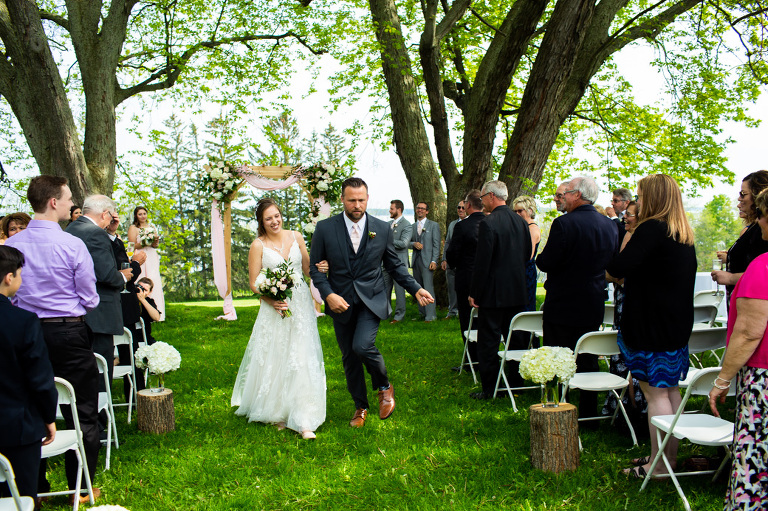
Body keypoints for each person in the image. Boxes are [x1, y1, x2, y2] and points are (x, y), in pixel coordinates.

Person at [5, 175, 101, 504]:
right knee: (84, 410)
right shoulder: (72, 244)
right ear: (53, 202)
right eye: (69, 197)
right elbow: (90, 298)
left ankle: (36, 488)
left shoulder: (11, 247)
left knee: (29, 405)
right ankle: (80, 488)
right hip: (68, 331)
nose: (72, 202)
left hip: (23, 331)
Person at [309, 178, 434, 428]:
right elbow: (315, 269)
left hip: (371, 299)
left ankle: (385, 387)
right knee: (349, 357)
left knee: (362, 346)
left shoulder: (382, 228)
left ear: (367, 199)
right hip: (339, 301)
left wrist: (416, 288)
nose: (357, 205)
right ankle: (360, 407)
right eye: (352, 200)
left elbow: (394, 265)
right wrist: (328, 295)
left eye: (362, 200)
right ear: (342, 200)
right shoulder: (325, 229)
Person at [605, 174, 697, 479]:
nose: (638, 202)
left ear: (654, 199)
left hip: (650, 325)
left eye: (641, 197)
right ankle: (667, 457)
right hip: (674, 324)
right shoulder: (681, 232)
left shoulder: (651, 229)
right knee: (668, 391)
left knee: (656, 394)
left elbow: (618, 267)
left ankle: (658, 466)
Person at [231, 198, 326, 440]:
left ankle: (305, 417)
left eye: (277, 216)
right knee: (278, 355)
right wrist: (272, 299)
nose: (274, 221)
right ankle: (277, 412)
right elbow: (254, 284)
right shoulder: (258, 245)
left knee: (301, 354)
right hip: (275, 307)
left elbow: (307, 269)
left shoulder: (296, 236)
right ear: (261, 223)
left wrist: (322, 269)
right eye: (268, 218)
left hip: (301, 304)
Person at [537, 176, 618, 419]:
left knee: (557, 356)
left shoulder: (564, 224)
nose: (563, 197)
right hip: (593, 300)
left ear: (578, 195)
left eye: (567, 193)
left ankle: (559, 409)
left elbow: (546, 261)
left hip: (563, 301)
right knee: (588, 357)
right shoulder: (610, 225)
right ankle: (588, 413)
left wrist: (542, 258)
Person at [709, 188, 768, 510]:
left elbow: (748, 333)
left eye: (760, 214)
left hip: (763, 375)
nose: (757, 221)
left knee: (755, 451)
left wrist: (722, 380)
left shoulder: (763, 266)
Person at [0, 246, 57, 502]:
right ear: (9, 277)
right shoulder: (23, 321)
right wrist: (48, 416)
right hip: (17, 428)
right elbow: (39, 378)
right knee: (21, 499)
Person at [468, 181, 531, 399]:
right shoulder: (521, 221)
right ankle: (516, 382)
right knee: (515, 339)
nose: (481, 200)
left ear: (492, 196)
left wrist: (475, 292)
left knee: (489, 341)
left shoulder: (489, 222)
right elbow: (526, 254)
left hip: (493, 293)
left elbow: (483, 262)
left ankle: (491, 388)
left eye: (483, 196)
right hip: (517, 290)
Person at [67, 196, 131, 387]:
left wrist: (111, 233)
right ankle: (101, 414)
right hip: (99, 313)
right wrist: (122, 277)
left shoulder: (71, 229)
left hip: (76, 312)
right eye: (111, 216)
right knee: (101, 370)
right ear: (105, 214)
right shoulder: (94, 233)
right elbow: (105, 274)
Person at [712, 170, 768, 308]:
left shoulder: (762, 232)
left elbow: (763, 274)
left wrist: (730, 278)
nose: (739, 199)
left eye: (743, 194)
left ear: (758, 195)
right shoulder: (753, 229)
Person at [445, 190, 484, 370]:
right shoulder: (490, 222)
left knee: (467, 320)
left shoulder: (462, 226)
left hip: (466, 278)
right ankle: (485, 357)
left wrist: (453, 264)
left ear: (468, 205)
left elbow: (452, 253)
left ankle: (471, 361)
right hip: (488, 279)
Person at [128, 206, 165, 320]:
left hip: (152, 255)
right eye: (140, 214)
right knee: (142, 277)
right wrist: (144, 242)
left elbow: (155, 245)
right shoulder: (133, 228)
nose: (143, 216)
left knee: (153, 279)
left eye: (144, 213)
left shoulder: (152, 227)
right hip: (140, 255)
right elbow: (131, 244)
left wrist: (154, 242)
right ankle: (140, 311)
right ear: (136, 216)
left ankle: (156, 312)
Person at [409, 202, 440, 322]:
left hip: (427, 262)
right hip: (416, 261)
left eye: (422, 209)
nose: (420, 210)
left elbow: (436, 245)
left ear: (427, 211)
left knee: (428, 288)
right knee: (418, 287)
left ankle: (431, 315)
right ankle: (422, 313)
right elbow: (407, 242)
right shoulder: (412, 226)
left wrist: (434, 260)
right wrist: (413, 244)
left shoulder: (433, 225)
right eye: (418, 208)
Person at [383, 199, 412, 324]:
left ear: (398, 210)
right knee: (385, 288)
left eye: (392, 209)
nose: (389, 211)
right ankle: (385, 313)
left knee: (399, 290)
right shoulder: (388, 223)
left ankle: (399, 316)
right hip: (385, 262)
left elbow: (404, 244)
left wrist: (386, 242)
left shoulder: (407, 225)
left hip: (399, 262)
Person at [512, 195, 541, 312]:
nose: (517, 214)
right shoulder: (522, 227)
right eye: (515, 211)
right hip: (519, 271)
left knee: (524, 306)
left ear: (530, 211)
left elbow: (528, 254)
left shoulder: (532, 228)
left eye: (520, 211)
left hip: (525, 272)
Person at [442, 201, 466, 319]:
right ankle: (452, 311)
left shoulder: (469, 224)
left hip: (464, 263)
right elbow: (447, 242)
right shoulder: (452, 224)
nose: (460, 209)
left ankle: (463, 312)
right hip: (451, 262)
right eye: (458, 207)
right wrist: (444, 259)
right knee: (451, 288)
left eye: (463, 207)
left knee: (463, 289)